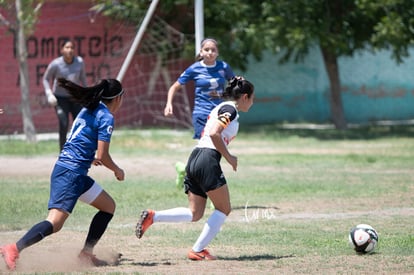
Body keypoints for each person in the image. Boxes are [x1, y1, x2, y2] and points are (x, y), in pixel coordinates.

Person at [0, 78, 125, 271]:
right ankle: (14, 248)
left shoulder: (89, 108)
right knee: (55, 223)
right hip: (71, 174)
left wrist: (87, 157)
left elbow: (80, 138)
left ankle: (86, 253)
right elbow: (103, 156)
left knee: (108, 206)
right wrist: (117, 170)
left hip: (73, 171)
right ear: (117, 98)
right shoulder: (106, 116)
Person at [136, 76, 254, 261]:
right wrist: (229, 157)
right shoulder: (230, 109)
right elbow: (215, 133)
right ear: (245, 97)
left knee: (195, 213)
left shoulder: (221, 107)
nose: (252, 103)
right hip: (207, 158)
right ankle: (198, 249)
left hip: (195, 157)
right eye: (252, 98)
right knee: (224, 208)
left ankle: (153, 216)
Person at [163, 38, 235, 187]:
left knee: (215, 149)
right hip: (201, 114)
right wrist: (169, 103)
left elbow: (234, 85)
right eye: (206, 49)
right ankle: (212, 186)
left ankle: (185, 169)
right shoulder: (194, 69)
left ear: (217, 52)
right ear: (201, 52)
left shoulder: (224, 67)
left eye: (213, 50)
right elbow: (174, 86)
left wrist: (233, 89)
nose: (210, 52)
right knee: (207, 149)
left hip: (219, 115)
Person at [43, 40, 88, 151]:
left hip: (75, 97)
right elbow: (45, 79)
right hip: (60, 98)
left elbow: (83, 79)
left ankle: (79, 150)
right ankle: (63, 152)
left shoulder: (79, 62)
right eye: (67, 47)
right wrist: (49, 94)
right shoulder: (56, 64)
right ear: (62, 50)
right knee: (64, 123)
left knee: (80, 123)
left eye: (72, 47)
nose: (70, 50)